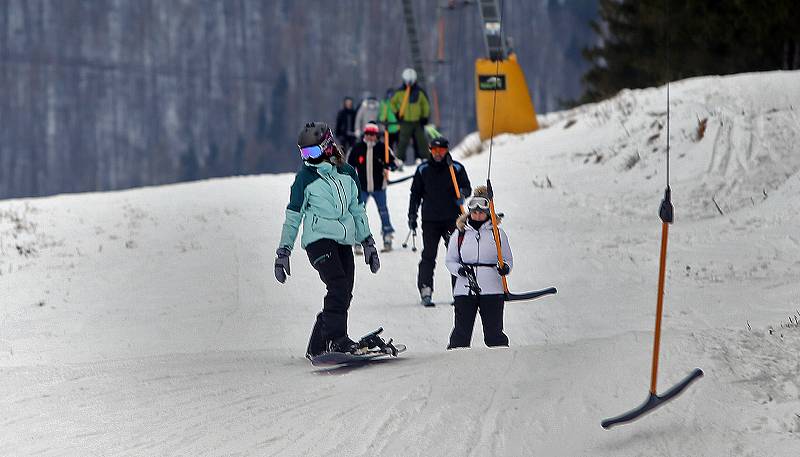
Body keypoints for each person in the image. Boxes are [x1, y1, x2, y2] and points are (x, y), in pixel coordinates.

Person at [274, 121, 381, 359]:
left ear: (327, 146)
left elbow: (357, 210)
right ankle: (336, 339)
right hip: (318, 240)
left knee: (344, 293)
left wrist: (368, 242)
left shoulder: (348, 173)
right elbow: (293, 216)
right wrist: (284, 252)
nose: (307, 158)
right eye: (303, 153)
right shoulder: (305, 179)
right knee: (338, 286)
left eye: (311, 152)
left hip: (343, 241)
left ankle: (317, 345)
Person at [445, 186, 512, 349]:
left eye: (481, 212)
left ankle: (501, 359)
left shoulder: (497, 233)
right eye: (474, 212)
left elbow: (507, 258)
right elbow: (450, 260)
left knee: (494, 332)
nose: (477, 215)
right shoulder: (460, 233)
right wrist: (459, 270)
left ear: (487, 212)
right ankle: (455, 361)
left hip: (492, 288)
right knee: (461, 332)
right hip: (465, 288)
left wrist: (505, 268)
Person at [408, 136, 471, 307]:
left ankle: (458, 291)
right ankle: (426, 290)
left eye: (441, 150)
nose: (438, 154)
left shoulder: (455, 168)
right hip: (430, 221)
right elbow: (415, 195)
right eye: (434, 150)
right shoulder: (423, 169)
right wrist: (412, 216)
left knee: (456, 256)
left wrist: (462, 195)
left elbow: (467, 186)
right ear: (430, 150)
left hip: (453, 220)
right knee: (429, 255)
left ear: (446, 150)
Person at [347, 123, 398, 252]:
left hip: (379, 187)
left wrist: (390, 165)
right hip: (362, 187)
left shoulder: (383, 148)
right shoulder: (357, 148)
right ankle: (358, 239)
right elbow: (349, 165)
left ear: (376, 136)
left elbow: (394, 163)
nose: (370, 137)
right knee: (359, 213)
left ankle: (387, 236)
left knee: (383, 211)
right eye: (368, 134)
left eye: (373, 135)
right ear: (365, 135)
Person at [390, 68, 431, 164]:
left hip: (418, 121)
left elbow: (425, 105)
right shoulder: (399, 92)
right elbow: (392, 103)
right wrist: (396, 113)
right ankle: (399, 160)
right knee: (403, 141)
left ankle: (425, 158)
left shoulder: (420, 92)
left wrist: (425, 117)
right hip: (405, 121)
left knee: (422, 141)